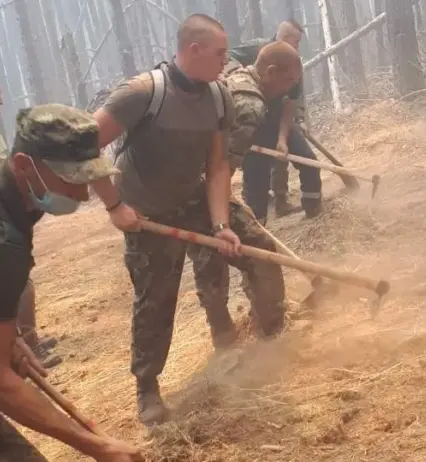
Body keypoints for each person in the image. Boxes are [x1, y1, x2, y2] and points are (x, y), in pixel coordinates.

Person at [92, 14, 288, 428]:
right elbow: (84, 145)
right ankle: (146, 387)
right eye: (219, 53)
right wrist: (114, 207)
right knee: (156, 299)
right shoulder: (142, 93)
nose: (227, 61)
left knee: (261, 252)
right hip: (146, 212)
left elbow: (218, 168)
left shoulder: (220, 96)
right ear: (194, 50)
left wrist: (220, 226)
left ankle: (272, 337)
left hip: (195, 198)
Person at [0, 103, 143, 461]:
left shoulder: (9, 200)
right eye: (71, 179)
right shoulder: (1, 243)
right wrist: (98, 446)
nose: (81, 194)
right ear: (24, 166)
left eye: (87, 178)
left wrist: (5, 335)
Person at [0, 75, 61, 369]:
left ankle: (29, 340)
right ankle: (22, 350)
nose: (0, 100)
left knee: (23, 282)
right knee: (17, 285)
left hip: (7, 213)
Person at [228, 19, 323, 223]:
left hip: (279, 119)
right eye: (295, 41)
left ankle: (314, 212)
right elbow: (225, 57)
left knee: (309, 161)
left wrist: (282, 138)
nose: (297, 46)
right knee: (257, 180)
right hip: (253, 125)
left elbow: (290, 103)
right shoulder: (255, 52)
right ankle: (256, 227)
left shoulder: (293, 64)